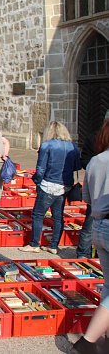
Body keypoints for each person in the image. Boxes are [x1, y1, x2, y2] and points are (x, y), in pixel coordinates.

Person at [72, 120, 109, 354]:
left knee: (108, 286)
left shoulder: (96, 160)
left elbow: (86, 196)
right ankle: (87, 342)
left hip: (98, 226)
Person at [19, 121, 81, 254]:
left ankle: (34, 244)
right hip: (65, 185)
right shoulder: (73, 146)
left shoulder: (47, 145)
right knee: (58, 217)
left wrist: (37, 181)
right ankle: (53, 246)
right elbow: (77, 166)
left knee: (38, 214)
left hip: (49, 183)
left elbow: (41, 168)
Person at [76, 110, 109, 259]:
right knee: (88, 225)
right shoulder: (93, 141)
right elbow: (84, 158)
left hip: (99, 216)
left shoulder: (96, 161)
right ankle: (83, 252)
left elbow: (87, 197)